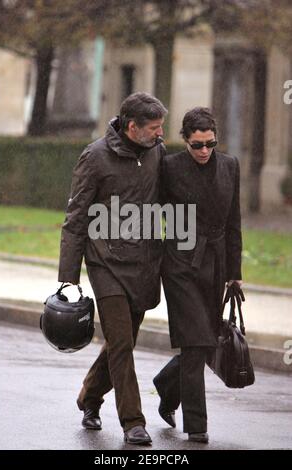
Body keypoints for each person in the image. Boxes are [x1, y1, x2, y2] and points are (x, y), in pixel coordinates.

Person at [58, 92, 167, 445]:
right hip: (105, 263)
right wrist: (68, 281)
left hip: (143, 263)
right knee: (121, 343)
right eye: (154, 128)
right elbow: (75, 220)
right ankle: (133, 422)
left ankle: (89, 396)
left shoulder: (157, 153)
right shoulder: (94, 157)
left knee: (123, 341)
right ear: (132, 127)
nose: (160, 133)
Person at [153, 107, 242, 443]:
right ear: (185, 141)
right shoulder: (170, 167)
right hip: (179, 264)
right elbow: (151, 208)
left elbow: (234, 221)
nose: (204, 150)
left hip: (216, 265)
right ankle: (197, 426)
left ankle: (166, 385)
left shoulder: (230, 166)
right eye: (197, 145)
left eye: (210, 143)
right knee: (195, 342)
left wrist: (234, 272)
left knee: (204, 342)